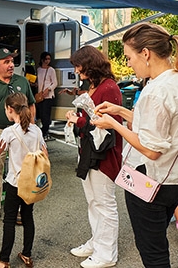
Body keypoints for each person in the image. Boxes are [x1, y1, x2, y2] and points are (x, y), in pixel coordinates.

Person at [92, 23, 178, 268]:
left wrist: (114, 124)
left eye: (129, 57)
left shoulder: (155, 91)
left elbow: (151, 148)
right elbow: (159, 126)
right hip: (172, 179)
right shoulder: (170, 81)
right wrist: (121, 112)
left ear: (146, 53)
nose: (128, 64)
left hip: (150, 179)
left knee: (153, 254)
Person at [65, 46, 123, 268]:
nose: (77, 71)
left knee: (104, 203)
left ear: (89, 65)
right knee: (93, 201)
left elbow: (108, 127)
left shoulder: (108, 88)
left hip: (103, 155)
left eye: (78, 66)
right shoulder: (96, 85)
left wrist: (78, 121)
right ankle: (97, 242)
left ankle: (107, 253)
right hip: (89, 151)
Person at [0, 92, 47, 268]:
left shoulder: (9, 132)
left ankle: (3, 261)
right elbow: (45, 154)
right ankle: (27, 254)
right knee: (28, 217)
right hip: (31, 183)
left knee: (9, 220)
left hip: (14, 183)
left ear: (10, 110)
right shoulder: (37, 130)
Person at [0, 48, 36, 222]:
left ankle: (21, 208)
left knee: (22, 170)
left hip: (22, 130)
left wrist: (30, 125)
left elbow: (31, 104)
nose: (11, 65)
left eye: (12, 61)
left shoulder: (22, 82)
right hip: (0, 131)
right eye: (6, 62)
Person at [35, 52, 58, 141]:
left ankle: (45, 132)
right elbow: (39, 81)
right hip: (40, 95)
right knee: (39, 114)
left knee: (46, 115)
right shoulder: (38, 69)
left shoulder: (51, 70)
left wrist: (48, 89)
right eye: (46, 59)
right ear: (42, 59)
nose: (48, 61)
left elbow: (55, 83)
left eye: (49, 59)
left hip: (48, 96)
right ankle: (42, 132)